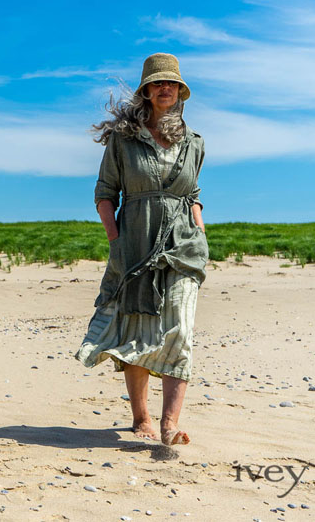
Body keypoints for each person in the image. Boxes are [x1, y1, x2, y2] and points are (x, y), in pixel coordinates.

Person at [75, 52, 208, 446]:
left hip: (183, 247)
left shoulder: (195, 143)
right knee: (138, 330)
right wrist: (116, 241)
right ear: (147, 92)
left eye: (172, 84)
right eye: (157, 83)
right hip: (134, 244)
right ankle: (141, 417)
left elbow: (194, 194)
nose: (165, 89)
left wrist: (201, 236)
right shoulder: (123, 140)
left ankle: (170, 423)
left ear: (180, 92)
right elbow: (104, 194)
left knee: (179, 329)